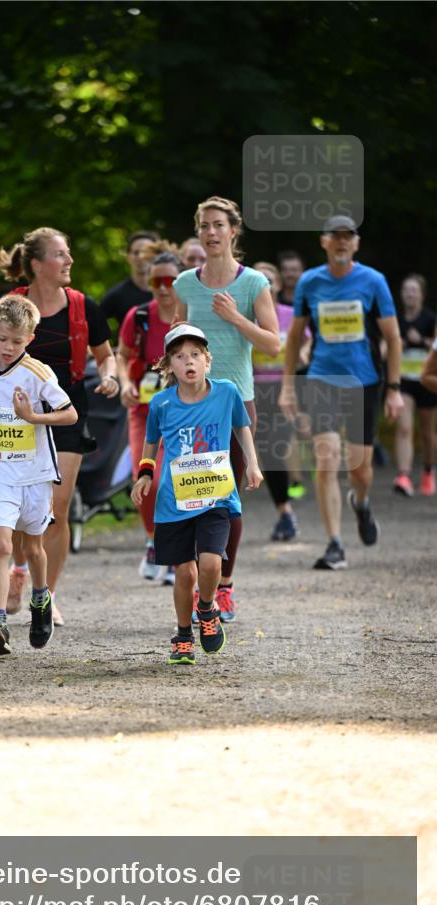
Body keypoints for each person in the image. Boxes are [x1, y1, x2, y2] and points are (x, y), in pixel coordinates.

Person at [0, 227, 119, 626]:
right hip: (13, 416)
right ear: (36, 265)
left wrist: (110, 376)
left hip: (64, 410)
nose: (69, 261)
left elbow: (106, 355)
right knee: (17, 506)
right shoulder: (10, 307)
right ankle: (20, 567)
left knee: (57, 506)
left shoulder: (83, 305)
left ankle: (46, 596)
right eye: (60, 255)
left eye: (68, 254)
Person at [172, 195, 279, 622]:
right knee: (190, 491)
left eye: (218, 225)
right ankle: (198, 579)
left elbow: (273, 343)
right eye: (204, 226)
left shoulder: (253, 284)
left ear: (234, 231)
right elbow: (177, 341)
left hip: (235, 401)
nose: (211, 233)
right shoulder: (185, 283)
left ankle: (224, 586)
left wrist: (237, 318)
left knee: (226, 496)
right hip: (190, 402)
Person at [131, 324, 263, 666]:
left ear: (207, 360)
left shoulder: (227, 392)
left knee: (211, 562)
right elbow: (151, 442)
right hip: (175, 501)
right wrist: (145, 473)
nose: (187, 361)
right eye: (178, 356)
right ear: (168, 366)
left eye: (194, 355)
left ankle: (206, 607)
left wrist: (252, 464)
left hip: (216, 495)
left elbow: (242, 427)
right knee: (184, 573)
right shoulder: (161, 403)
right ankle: (183, 634)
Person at [279, 215, 404, 570]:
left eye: (348, 237)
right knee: (327, 455)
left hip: (363, 381)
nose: (341, 243)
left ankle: (360, 503)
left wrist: (394, 389)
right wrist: (289, 386)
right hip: (320, 379)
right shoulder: (309, 282)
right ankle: (334, 543)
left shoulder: (373, 281)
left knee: (360, 471)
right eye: (335, 237)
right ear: (324, 242)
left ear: (356, 244)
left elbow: (393, 338)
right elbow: (294, 337)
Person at [0, 295, 77, 655]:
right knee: (1, 544)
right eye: (3, 339)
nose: (8, 347)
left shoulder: (39, 374)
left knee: (33, 547)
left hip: (36, 474)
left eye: (17, 341)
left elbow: (69, 415)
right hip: (0, 473)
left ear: (30, 339)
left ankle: (40, 599)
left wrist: (34, 418)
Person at [118, 243, 183, 584]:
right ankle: (154, 540)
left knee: (175, 483)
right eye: (156, 280)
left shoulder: (189, 318)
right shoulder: (138, 317)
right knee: (146, 481)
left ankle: (174, 554)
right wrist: (126, 382)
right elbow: (122, 355)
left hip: (182, 414)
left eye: (168, 281)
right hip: (144, 413)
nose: (161, 286)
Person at [252, 261, 311, 541]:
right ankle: (285, 513)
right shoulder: (245, 317)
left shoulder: (288, 314)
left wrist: (303, 354)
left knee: (278, 445)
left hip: (286, 388)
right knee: (268, 451)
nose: (264, 281)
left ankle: (287, 510)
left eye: (269, 277)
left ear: (276, 284)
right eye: (258, 277)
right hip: (254, 390)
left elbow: (306, 341)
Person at [392, 273, 437, 497]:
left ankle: (428, 472)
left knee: (428, 432)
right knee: (405, 427)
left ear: (421, 294)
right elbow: (386, 347)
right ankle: (404, 475)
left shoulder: (430, 319)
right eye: (406, 290)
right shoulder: (396, 320)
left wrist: (422, 340)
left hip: (427, 381)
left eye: (413, 290)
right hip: (404, 381)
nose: (409, 294)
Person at [100, 230, 159, 332]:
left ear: (157, 255)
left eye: (147, 252)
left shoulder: (170, 291)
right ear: (128, 257)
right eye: (136, 252)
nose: (141, 256)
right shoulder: (117, 295)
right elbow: (93, 327)